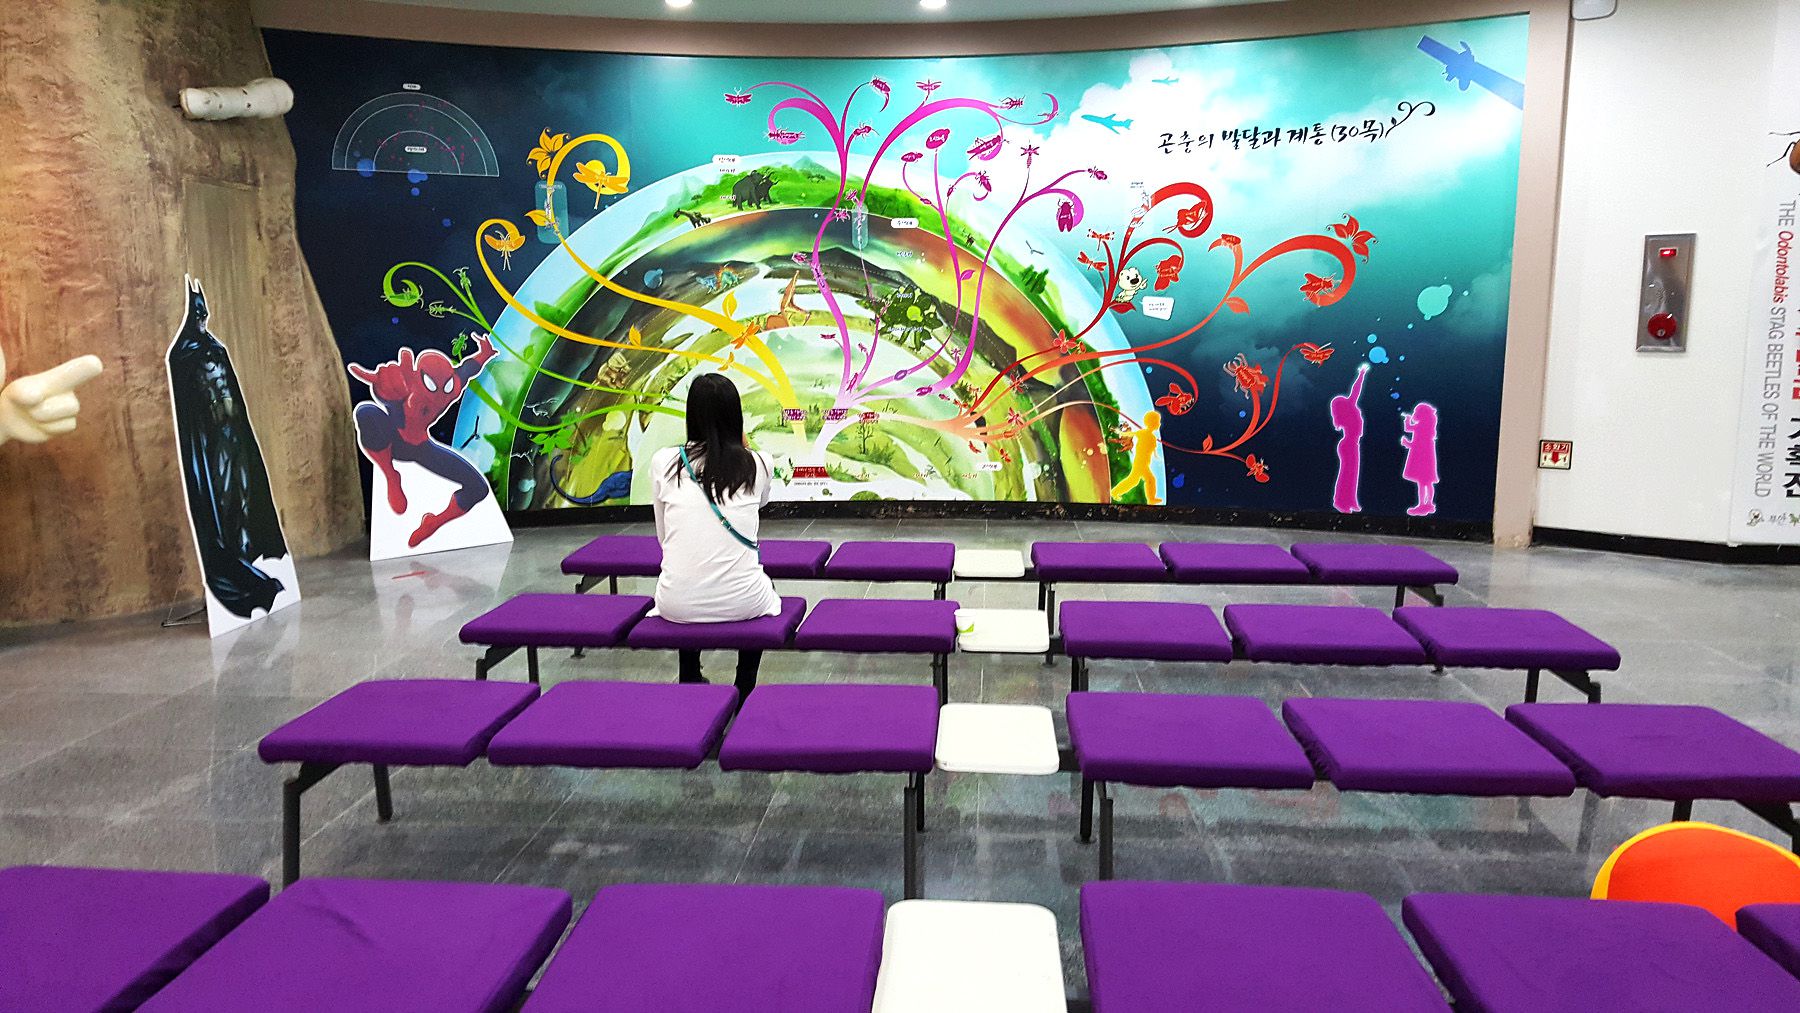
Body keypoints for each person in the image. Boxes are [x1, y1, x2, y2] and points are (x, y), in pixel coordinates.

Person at [650, 372, 778, 693]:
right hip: (745, 602)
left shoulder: (664, 462)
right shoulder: (759, 463)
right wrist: (745, 448)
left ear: (691, 416)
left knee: (686, 572)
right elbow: (761, 502)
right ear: (736, 416)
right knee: (762, 582)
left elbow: (665, 538)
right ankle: (744, 685)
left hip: (676, 605)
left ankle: (690, 675)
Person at [1329, 363, 1368, 514]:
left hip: (1351, 444)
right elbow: (1355, 391)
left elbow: (1354, 392)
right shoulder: (1349, 410)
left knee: (1351, 473)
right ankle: (1342, 501)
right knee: (1348, 473)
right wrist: (1361, 374)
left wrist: (1362, 374)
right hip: (1349, 444)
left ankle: (1350, 500)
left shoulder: (1347, 412)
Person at [1400, 401, 1440, 517]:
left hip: (1423, 458)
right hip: (1427, 457)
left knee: (1423, 483)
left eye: (1416, 412)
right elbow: (1409, 429)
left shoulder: (1421, 427)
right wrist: (1407, 420)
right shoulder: (1426, 427)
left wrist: (1407, 443)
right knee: (1427, 482)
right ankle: (1428, 504)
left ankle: (1423, 505)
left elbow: (1416, 442)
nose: (1414, 414)